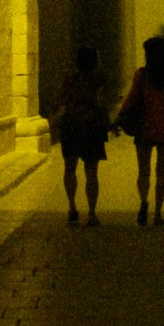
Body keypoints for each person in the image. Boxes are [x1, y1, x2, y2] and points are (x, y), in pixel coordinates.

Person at [117, 35, 164, 225]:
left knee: (143, 171)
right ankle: (158, 213)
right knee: (161, 171)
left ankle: (144, 204)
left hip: (145, 126)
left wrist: (119, 117)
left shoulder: (142, 74)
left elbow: (131, 97)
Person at [54, 45, 109, 226]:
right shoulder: (98, 78)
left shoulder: (68, 77)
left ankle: (72, 207)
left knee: (70, 167)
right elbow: (101, 101)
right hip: (92, 124)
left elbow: (60, 98)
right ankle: (92, 213)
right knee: (91, 171)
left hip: (71, 123)